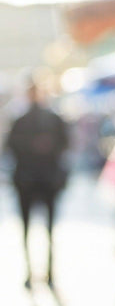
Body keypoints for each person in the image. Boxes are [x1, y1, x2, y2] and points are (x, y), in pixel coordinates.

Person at [6, 83, 69, 288]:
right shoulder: (21, 120)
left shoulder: (52, 119)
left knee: (49, 228)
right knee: (27, 228)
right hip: (27, 180)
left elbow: (64, 144)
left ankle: (50, 270)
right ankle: (30, 270)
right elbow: (10, 146)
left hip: (46, 179)